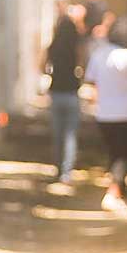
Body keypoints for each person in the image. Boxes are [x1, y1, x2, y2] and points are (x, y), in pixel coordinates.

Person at [85, 15, 127, 213]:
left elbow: (90, 80)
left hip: (105, 114)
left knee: (115, 154)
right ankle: (113, 192)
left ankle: (118, 191)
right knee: (125, 155)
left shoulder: (100, 54)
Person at [43, 14, 83, 183]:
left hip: (56, 92)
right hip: (72, 92)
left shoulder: (52, 47)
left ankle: (58, 168)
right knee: (70, 135)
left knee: (57, 134)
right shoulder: (76, 47)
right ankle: (67, 172)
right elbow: (82, 67)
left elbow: (41, 67)